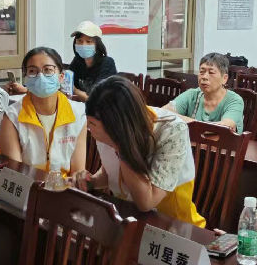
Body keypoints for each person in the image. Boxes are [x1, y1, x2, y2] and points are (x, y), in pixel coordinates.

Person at [76, 76, 206, 227]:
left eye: (92, 124)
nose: (89, 128)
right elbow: (110, 173)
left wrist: (120, 145)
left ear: (117, 125)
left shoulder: (172, 131)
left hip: (173, 227)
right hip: (127, 219)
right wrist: (91, 182)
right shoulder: (106, 127)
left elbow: (146, 202)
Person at [0, 47, 86, 174]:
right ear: (26, 78)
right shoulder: (12, 117)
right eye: (32, 71)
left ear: (61, 76)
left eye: (48, 70)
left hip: (65, 185)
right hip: (27, 185)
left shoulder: (78, 113)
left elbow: (77, 172)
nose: (40, 76)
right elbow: (13, 174)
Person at [165, 53, 244, 132]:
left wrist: (183, 121)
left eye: (211, 72)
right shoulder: (192, 94)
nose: (204, 77)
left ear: (224, 78)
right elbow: (163, 113)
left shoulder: (234, 100)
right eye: (202, 72)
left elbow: (225, 128)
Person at [66, 20, 117, 102]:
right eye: (80, 41)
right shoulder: (77, 61)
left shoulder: (107, 63)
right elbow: (67, 85)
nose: (83, 45)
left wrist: (75, 91)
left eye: (88, 42)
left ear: (97, 45)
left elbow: (96, 99)